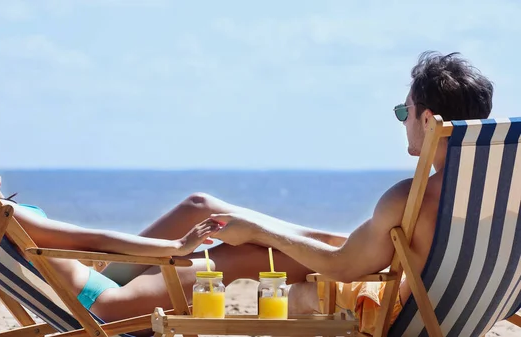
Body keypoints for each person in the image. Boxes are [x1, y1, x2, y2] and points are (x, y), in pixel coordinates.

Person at [0, 50, 494, 335]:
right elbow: (93, 238)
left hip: (99, 284)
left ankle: (296, 247)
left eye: (404, 113)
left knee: (226, 227)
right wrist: (179, 253)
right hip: (102, 299)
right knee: (255, 254)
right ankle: (304, 250)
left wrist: (182, 250)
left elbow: (86, 245)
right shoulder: (502, 200)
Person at [205, 51, 494, 334]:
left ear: (428, 120)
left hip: (409, 321)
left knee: (303, 291)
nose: (404, 122)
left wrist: (259, 232)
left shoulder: (410, 198)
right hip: (479, 317)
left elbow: (341, 266)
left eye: (404, 112)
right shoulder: (507, 190)